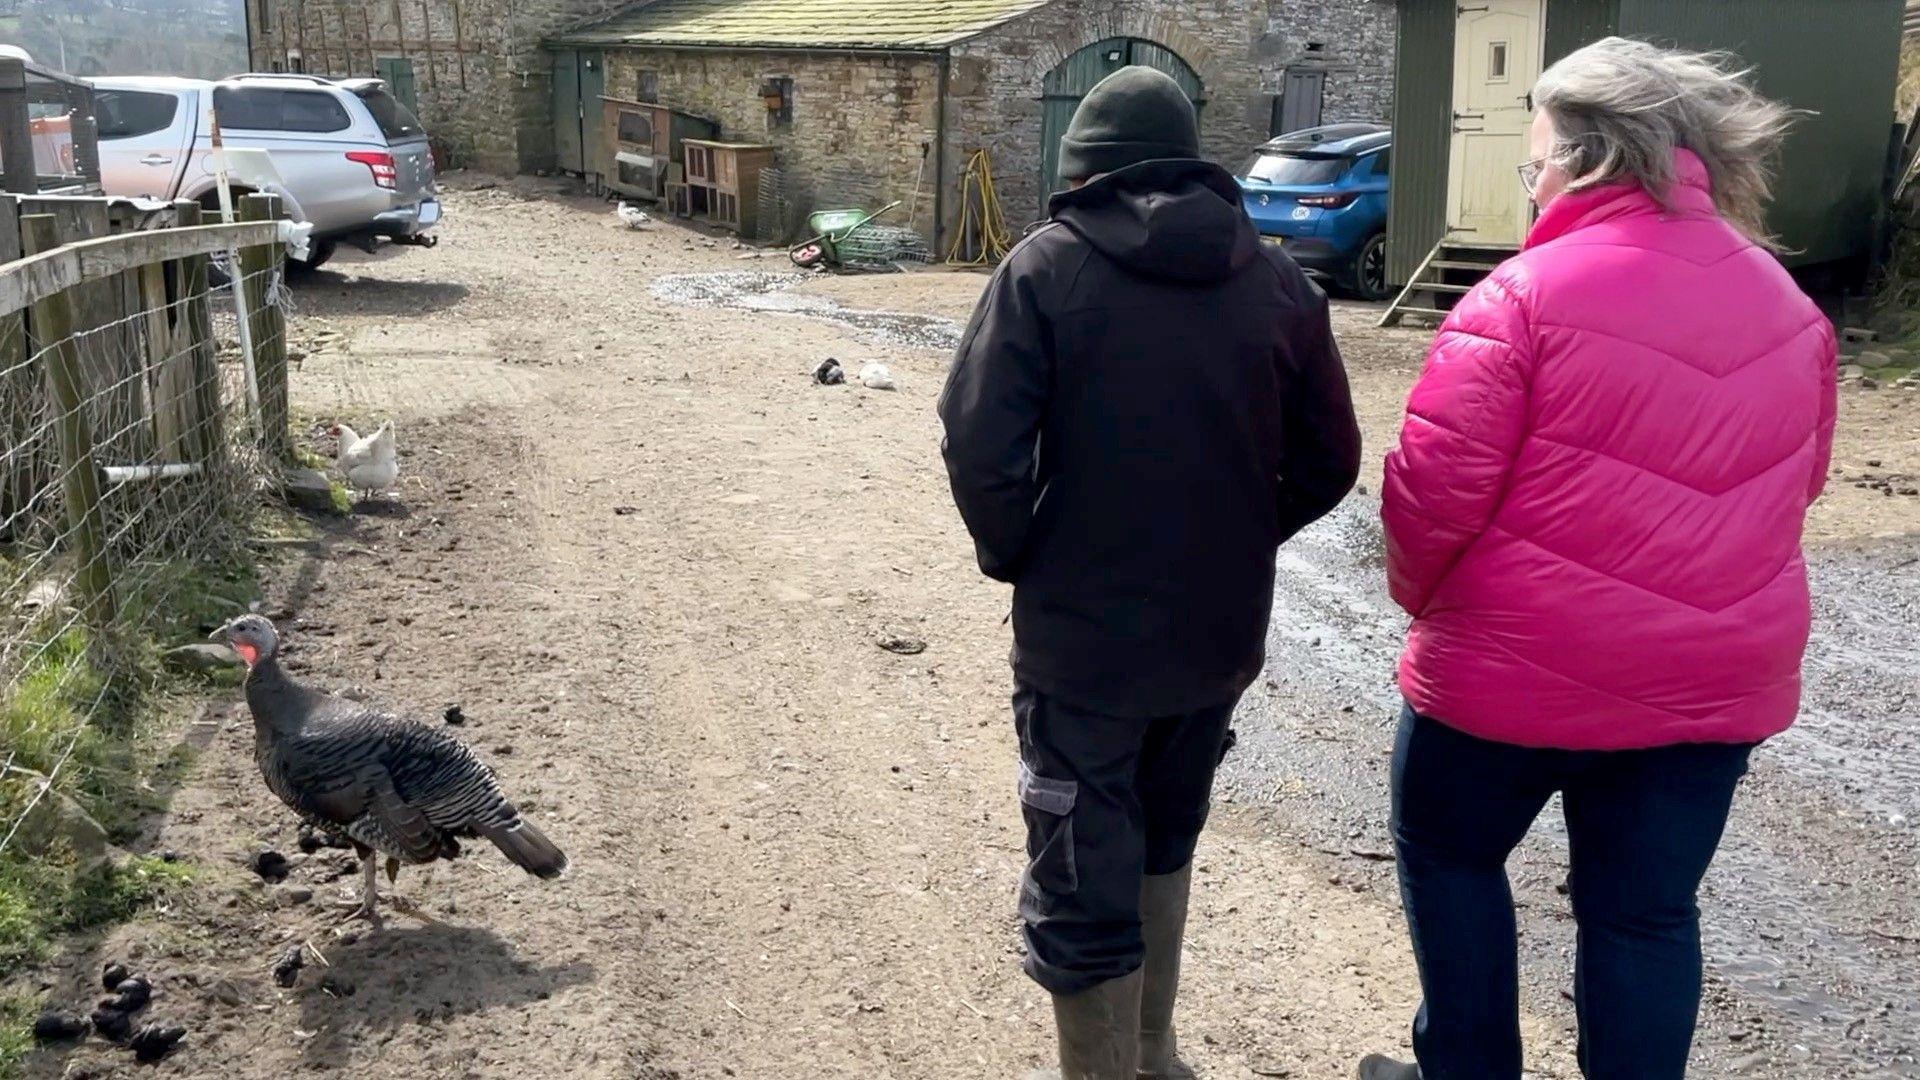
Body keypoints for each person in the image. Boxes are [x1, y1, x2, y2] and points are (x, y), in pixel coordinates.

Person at [1361, 38, 1837, 1080]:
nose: (1528, 187)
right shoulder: (1792, 309)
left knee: (1450, 860)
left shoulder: (1518, 297)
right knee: (1645, 916)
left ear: (1583, 158)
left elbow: (1432, 502)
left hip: (1509, 675)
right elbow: (1795, 493)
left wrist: (1427, 608)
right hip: (1708, 685)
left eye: (1530, 165)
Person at [939, 66, 1361, 1079]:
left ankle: (1118, 1066)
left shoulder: (1043, 271)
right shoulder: (1276, 281)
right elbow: (1332, 459)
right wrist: (1237, 534)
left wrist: (1021, 554)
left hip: (1084, 647)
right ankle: (1154, 1052)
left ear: (1084, 168)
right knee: (1165, 835)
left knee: (1083, 870)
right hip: (1213, 640)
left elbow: (978, 444)